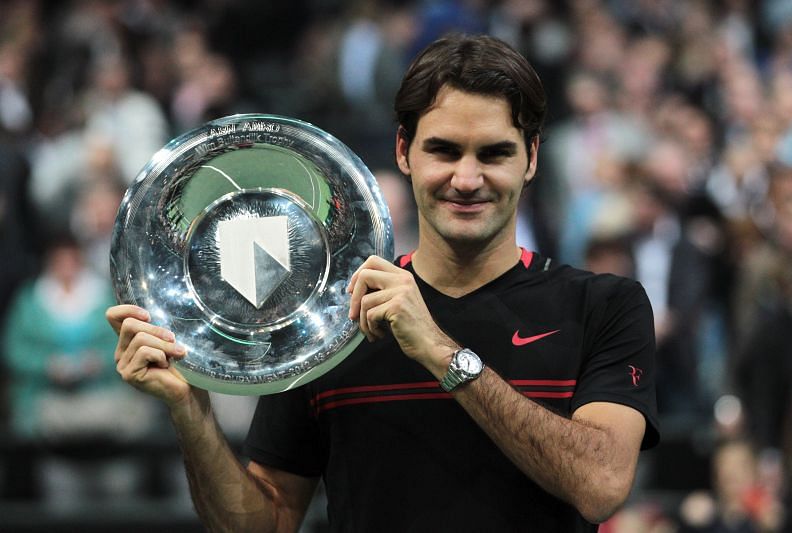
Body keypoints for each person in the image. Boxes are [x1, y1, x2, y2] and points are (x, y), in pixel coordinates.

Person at [107, 34, 659, 532]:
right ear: (403, 152)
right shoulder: (328, 318)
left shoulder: (605, 305)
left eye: (494, 153)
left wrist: (443, 355)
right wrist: (191, 410)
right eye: (443, 150)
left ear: (532, 158)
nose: (467, 179)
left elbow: (600, 487)